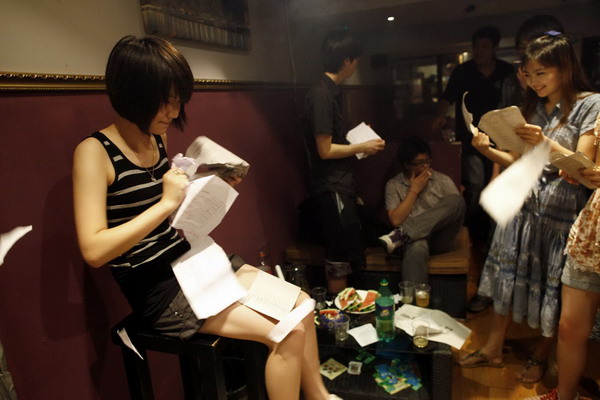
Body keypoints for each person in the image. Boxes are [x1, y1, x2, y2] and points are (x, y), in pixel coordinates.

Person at [72, 35, 342, 400]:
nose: (172, 113)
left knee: (303, 304)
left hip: (192, 261)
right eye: (164, 103)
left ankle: (320, 397)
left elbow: (169, 211)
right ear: (132, 94)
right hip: (158, 290)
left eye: (176, 102)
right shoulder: (93, 153)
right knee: (288, 330)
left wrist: (210, 185)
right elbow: (93, 249)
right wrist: (166, 204)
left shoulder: (156, 138)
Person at [459, 32, 600, 385]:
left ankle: (541, 353)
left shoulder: (589, 104)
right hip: (526, 203)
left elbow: (584, 170)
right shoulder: (535, 108)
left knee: (551, 285)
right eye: (530, 73)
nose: (535, 81)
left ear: (565, 69)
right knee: (509, 276)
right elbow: (521, 161)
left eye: (543, 73)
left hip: (561, 212)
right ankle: (492, 347)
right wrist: (487, 148)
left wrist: (545, 142)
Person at [469, 15, 566, 314]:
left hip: (557, 197)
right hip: (522, 182)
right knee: (504, 247)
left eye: (538, 69)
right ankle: (494, 301)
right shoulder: (520, 88)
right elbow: (511, 144)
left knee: (546, 267)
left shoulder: (580, 103)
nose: (530, 75)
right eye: (525, 62)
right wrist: (494, 167)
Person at [302, 29, 385, 294]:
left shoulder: (329, 91)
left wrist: (358, 141)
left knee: (349, 248)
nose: (357, 63)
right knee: (338, 254)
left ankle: (348, 311)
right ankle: (339, 319)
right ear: (347, 60)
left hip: (341, 182)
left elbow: (332, 141)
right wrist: (362, 146)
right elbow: (324, 150)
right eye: (356, 59)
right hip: (331, 185)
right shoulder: (322, 94)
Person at [525, 114, 600, 400]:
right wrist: (580, 171)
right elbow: (591, 164)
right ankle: (565, 396)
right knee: (569, 327)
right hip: (593, 231)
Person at [432, 25, 514, 252]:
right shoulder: (463, 71)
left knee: (497, 185)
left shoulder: (506, 72)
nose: (479, 50)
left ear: (495, 47)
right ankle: (470, 231)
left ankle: (493, 235)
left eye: (485, 46)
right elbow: (447, 98)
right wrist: (439, 117)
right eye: (476, 46)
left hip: (503, 140)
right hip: (472, 139)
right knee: (475, 184)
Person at [377, 136, 465, 284]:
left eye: (427, 161)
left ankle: (403, 234)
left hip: (440, 238)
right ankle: (414, 305)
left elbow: (455, 211)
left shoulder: (442, 180)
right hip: (413, 242)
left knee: (457, 200)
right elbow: (396, 220)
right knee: (417, 244)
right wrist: (414, 191)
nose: (425, 167)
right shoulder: (394, 185)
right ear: (406, 165)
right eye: (419, 163)